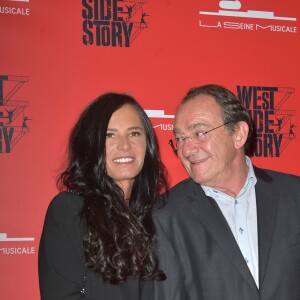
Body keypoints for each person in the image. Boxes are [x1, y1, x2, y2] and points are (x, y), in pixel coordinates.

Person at [153, 84, 300, 300]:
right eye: (181, 138)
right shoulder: (165, 216)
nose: (186, 149)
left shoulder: (294, 194)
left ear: (239, 134)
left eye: (199, 133)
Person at [39, 93, 167, 300]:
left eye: (134, 133)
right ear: (92, 144)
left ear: (148, 143)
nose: (124, 145)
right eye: (109, 135)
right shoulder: (71, 210)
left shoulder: (157, 215)